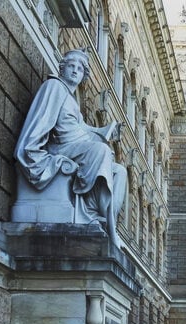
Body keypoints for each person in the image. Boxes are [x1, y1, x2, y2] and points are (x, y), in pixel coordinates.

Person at [15, 49, 126, 245]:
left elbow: (82, 129)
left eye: (80, 69)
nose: (75, 71)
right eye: (71, 67)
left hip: (75, 147)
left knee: (120, 171)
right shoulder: (54, 87)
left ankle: (102, 217)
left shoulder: (72, 100)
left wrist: (108, 131)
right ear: (62, 69)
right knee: (101, 151)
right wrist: (35, 154)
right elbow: (41, 123)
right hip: (60, 148)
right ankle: (95, 213)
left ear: (83, 75)